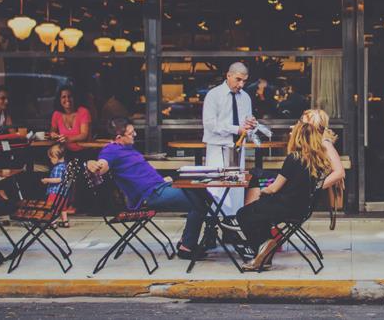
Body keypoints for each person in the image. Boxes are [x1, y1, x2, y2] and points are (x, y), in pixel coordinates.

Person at [86, 117, 208, 259]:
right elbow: (102, 165)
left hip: (160, 186)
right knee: (199, 200)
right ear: (119, 138)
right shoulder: (111, 150)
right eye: (131, 133)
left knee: (202, 192)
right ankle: (187, 247)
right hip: (150, 195)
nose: (135, 135)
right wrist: (92, 164)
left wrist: (163, 180)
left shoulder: (127, 148)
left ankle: (186, 242)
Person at [236, 121, 331, 271]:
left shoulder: (294, 158)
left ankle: (262, 247)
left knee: (243, 214)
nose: (290, 134)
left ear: (299, 137)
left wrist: (262, 191)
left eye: (293, 132)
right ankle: (264, 255)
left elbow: (274, 188)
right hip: (301, 209)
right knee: (260, 215)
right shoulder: (318, 161)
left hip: (285, 207)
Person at [244, 109, 345, 205]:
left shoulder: (324, 142)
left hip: (294, 187)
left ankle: (250, 216)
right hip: (294, 184)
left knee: (258, 177)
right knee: (257, 175)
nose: (299, 125)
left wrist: (314, 188)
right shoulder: (310, 142)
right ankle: (254, 216)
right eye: (300, 122)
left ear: (314, 126)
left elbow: (339, 172)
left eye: (303, 123)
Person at [202, 62, 257, 214]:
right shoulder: (214, 95)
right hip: (217, 147)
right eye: (238, 79)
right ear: (228, 75)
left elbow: (247, 124)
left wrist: (251, 125)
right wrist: (236, 128)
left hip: (238, 148)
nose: (241, 84)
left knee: (236, 190)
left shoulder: (245, 97)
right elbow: (210, 124)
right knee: (216, 190)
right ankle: (212, 228)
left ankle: (232, 228)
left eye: (244, 81)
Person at [49, 85, 92, 153]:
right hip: (64, 152)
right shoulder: (56, 114)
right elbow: (52, 131)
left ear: (74, 98)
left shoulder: (83, 111)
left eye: (70, 96)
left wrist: (68, 139)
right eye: (64, 97)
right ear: (59, 100)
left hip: (83, 151)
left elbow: (84, 135)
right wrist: (53, 134)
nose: (67, 99)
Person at [42, 143, 70, 228]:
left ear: (56, 157)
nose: (50, 160)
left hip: (55, 192)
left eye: (51, 158)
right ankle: (65, 221)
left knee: (52, 208)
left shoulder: (58, 167)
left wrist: (47, 180)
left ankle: (52, 222)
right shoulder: (65, 166)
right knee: (63, 208)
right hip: (63, 192)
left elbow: (59, 179)